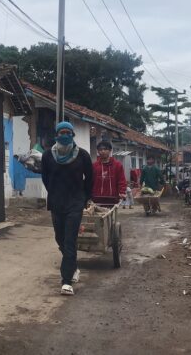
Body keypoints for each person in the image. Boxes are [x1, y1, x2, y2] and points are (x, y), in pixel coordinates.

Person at [41, 121, 93, 296]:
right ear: (56, 134)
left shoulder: (83, 155)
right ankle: (73, 266)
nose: (65, 135)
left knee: (70, 239)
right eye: (61, 132)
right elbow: (45, 178)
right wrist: (54, 193)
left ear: (73, 135)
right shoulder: (48, 155)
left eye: (68, 132)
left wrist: (85, 197)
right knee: (59, 238)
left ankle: (66, 281)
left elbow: (90, 179)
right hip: (57, 202)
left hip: (75, 202)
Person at [91, 141, 127, 207]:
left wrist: (122, 192)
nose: (103, 151)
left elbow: (121, 180)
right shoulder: (94, 166)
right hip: (97, 198)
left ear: (110, 150)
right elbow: (90, 181)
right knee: (98, 217)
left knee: (112, 217)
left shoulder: (117, 165)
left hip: (113, 199)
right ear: (98, 151)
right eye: (100, 149)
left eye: (105, 149)